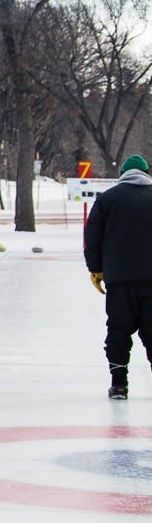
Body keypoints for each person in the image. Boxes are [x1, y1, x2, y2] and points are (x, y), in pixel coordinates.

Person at [84, 154, 152, 400]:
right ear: (146, 171)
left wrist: (96, 269)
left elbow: (92, 239)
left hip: (119, 280)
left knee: (118, 330)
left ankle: (119, 383)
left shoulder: (107, 200)